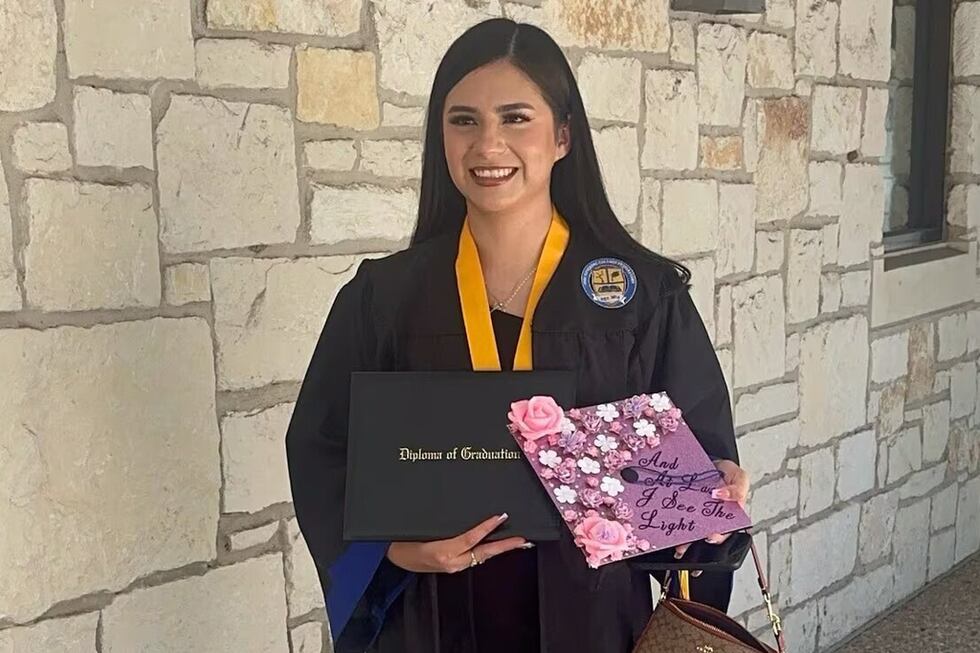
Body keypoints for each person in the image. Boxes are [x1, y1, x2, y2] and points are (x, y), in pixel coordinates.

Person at [285, 18, 750, 653]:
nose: (488, 145)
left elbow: (697, 466)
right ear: (440, 138)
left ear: (562, 136)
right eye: (464, 120)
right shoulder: (384, 299)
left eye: (515, 118)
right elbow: (322, 449)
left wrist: (711, 499)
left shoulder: (640, 298)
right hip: (431, 624)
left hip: (594, 626)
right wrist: (392, 549)